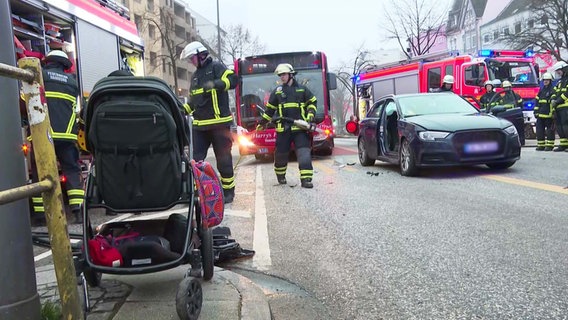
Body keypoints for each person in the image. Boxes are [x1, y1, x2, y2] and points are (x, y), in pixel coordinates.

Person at [180, 41, 238, 203]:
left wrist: (217, 84)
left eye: (192, 58)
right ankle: (197, 191)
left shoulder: (217, 68)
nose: (192, 62)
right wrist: (183, 110)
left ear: (201, 54)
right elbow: (193, 102)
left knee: (223, 160)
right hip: (200, 126)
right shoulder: (195, 77)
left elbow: (234, 80)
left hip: (219, 124)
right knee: (196, 160)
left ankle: (228, 192)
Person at [31, 50, 84, 224]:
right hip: (66, 137)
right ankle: (78, 210)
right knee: (71, 170)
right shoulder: (73, 82)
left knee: (39, 172)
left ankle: (40, 215)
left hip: (43, 135)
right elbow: (73, 108)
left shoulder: (40, 76)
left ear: (48, 62)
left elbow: (27, 101)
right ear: (64, 66)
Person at [258, 63, 317, 188]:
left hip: (300, 129)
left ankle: (306, 179)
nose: (282, 77)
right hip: (283, 129)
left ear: (291, 74)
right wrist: (262, 123)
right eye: (280, 75)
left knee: (304, 153)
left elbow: (312, 102)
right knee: (281, 154)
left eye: (284, 74)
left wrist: (310, 115)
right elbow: (269, 110)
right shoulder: (278, 92)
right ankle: (280, 176)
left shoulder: (302, 89)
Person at [534, 72, 556, 151]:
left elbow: (553, 103)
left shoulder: (552, 90)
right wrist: (535, 112)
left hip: (549, 115)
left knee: (550, 131)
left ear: (550, 81)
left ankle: (550, 145)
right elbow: (537, 102)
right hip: (540, 115)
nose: (545, 81)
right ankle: (541, 145)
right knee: (539, 130)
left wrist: (553, 113)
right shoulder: (541, 91)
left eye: (547, 80)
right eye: (544, 80)